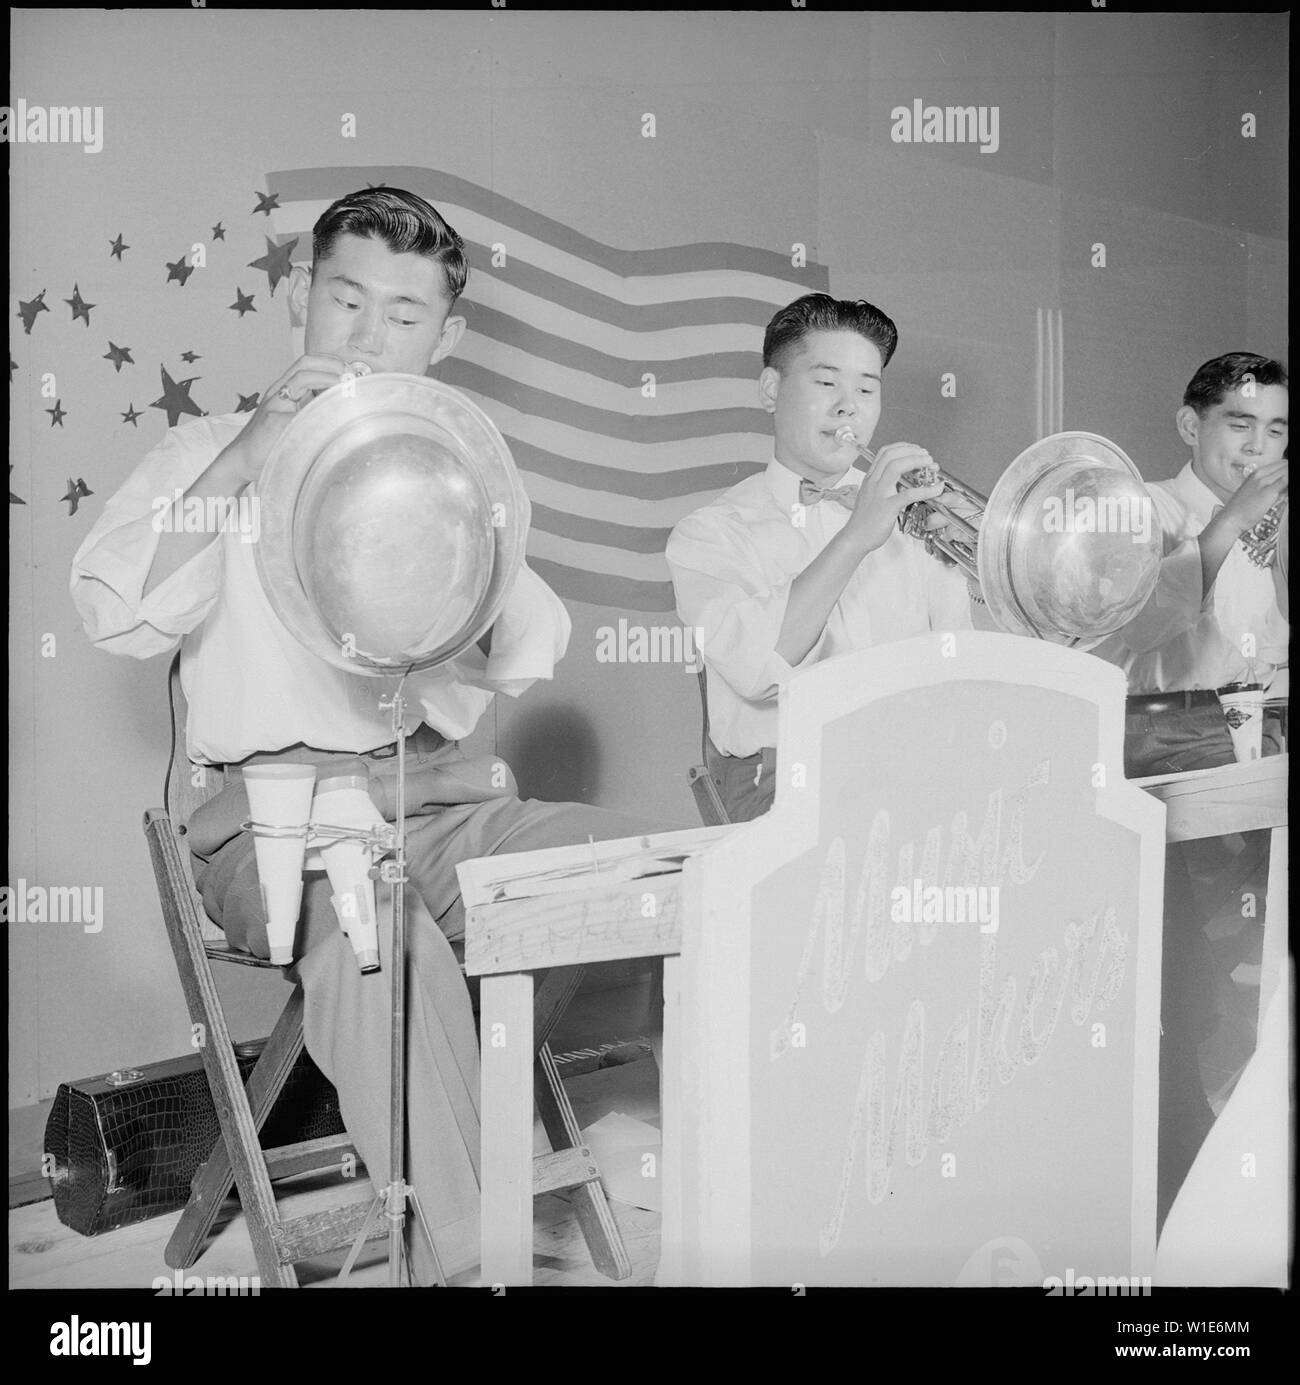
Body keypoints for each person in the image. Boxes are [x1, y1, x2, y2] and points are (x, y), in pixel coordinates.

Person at [71, 187, 669, 1284]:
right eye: (344, 298)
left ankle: (494, 1120)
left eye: (402, 315)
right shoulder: (205, 449)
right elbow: (116, 609)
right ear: (301, 295)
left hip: (434, 795)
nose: (364, 334)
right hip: (268, 820)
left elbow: (526, 640)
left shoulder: (440, 461)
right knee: (375, 921)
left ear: (444, 339)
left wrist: (438, 511)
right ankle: (473, 1259)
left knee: (651, 867)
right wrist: (256, 451)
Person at [1092, 352, 1288, 1229]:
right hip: (1166, 752)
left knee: (1263, 992)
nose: (1260, 446)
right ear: (1191, 427)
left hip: (1263, 753)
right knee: (1199, 998)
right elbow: (1126, 630)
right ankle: (1188, 1191)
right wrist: (1230, 524)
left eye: (1278, 429)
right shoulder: (1143, 509)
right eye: (1240, 424)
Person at [666, 293, 975, 821]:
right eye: (827, 383)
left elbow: (965, 668)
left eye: (866, 388)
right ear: (771, 389)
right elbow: (757, 671)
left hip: (916, 778)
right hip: (781, 795)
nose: (848, 406)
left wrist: (978, 566)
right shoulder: (709, 534)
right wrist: (856, 537)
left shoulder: (917, 519)